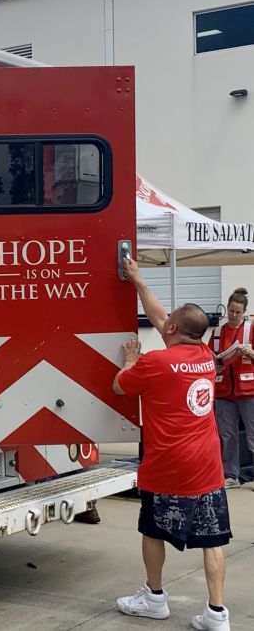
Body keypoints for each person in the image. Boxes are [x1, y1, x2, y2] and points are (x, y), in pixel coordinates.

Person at [114, 258, 231, 631]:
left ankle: (154, 598)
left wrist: (130, 362)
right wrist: (137, 280)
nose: (163, 321)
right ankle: (217, 615)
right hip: (208, 465)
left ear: (173, 328)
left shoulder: (155, 363)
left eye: (168, 321)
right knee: (213, 540)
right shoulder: (206, 358)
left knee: (152, 530)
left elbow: (119, 386)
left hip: (167, 465)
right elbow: (163, 314)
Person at [209, 287, 254, 489]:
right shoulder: (217, 332)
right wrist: (215, 362)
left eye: (238, 312)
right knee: (228, 436)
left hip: (248, 391)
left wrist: (251, 353)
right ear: (227, 309)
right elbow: (210, 357)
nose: (234, 315)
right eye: (231, 311)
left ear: (244, 311)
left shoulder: (251, 329)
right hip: (223, 392)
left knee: (253, 434)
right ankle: (231, 476)